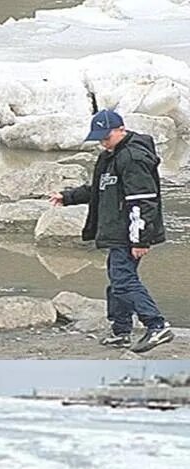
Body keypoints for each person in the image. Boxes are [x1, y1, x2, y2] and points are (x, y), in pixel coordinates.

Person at [50, 110, 173, 353]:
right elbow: (99, 189)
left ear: (121, 129)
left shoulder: (133, 157)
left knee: (124, 281)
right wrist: (67, 197)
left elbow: (143, 201)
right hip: (118, 232)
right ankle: (121, 331)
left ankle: (156, 325)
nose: (103, 142)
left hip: (130, 232)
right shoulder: (110, 155)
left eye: (106, 137)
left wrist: (140, 240)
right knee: (118, 281)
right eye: (99, 138)